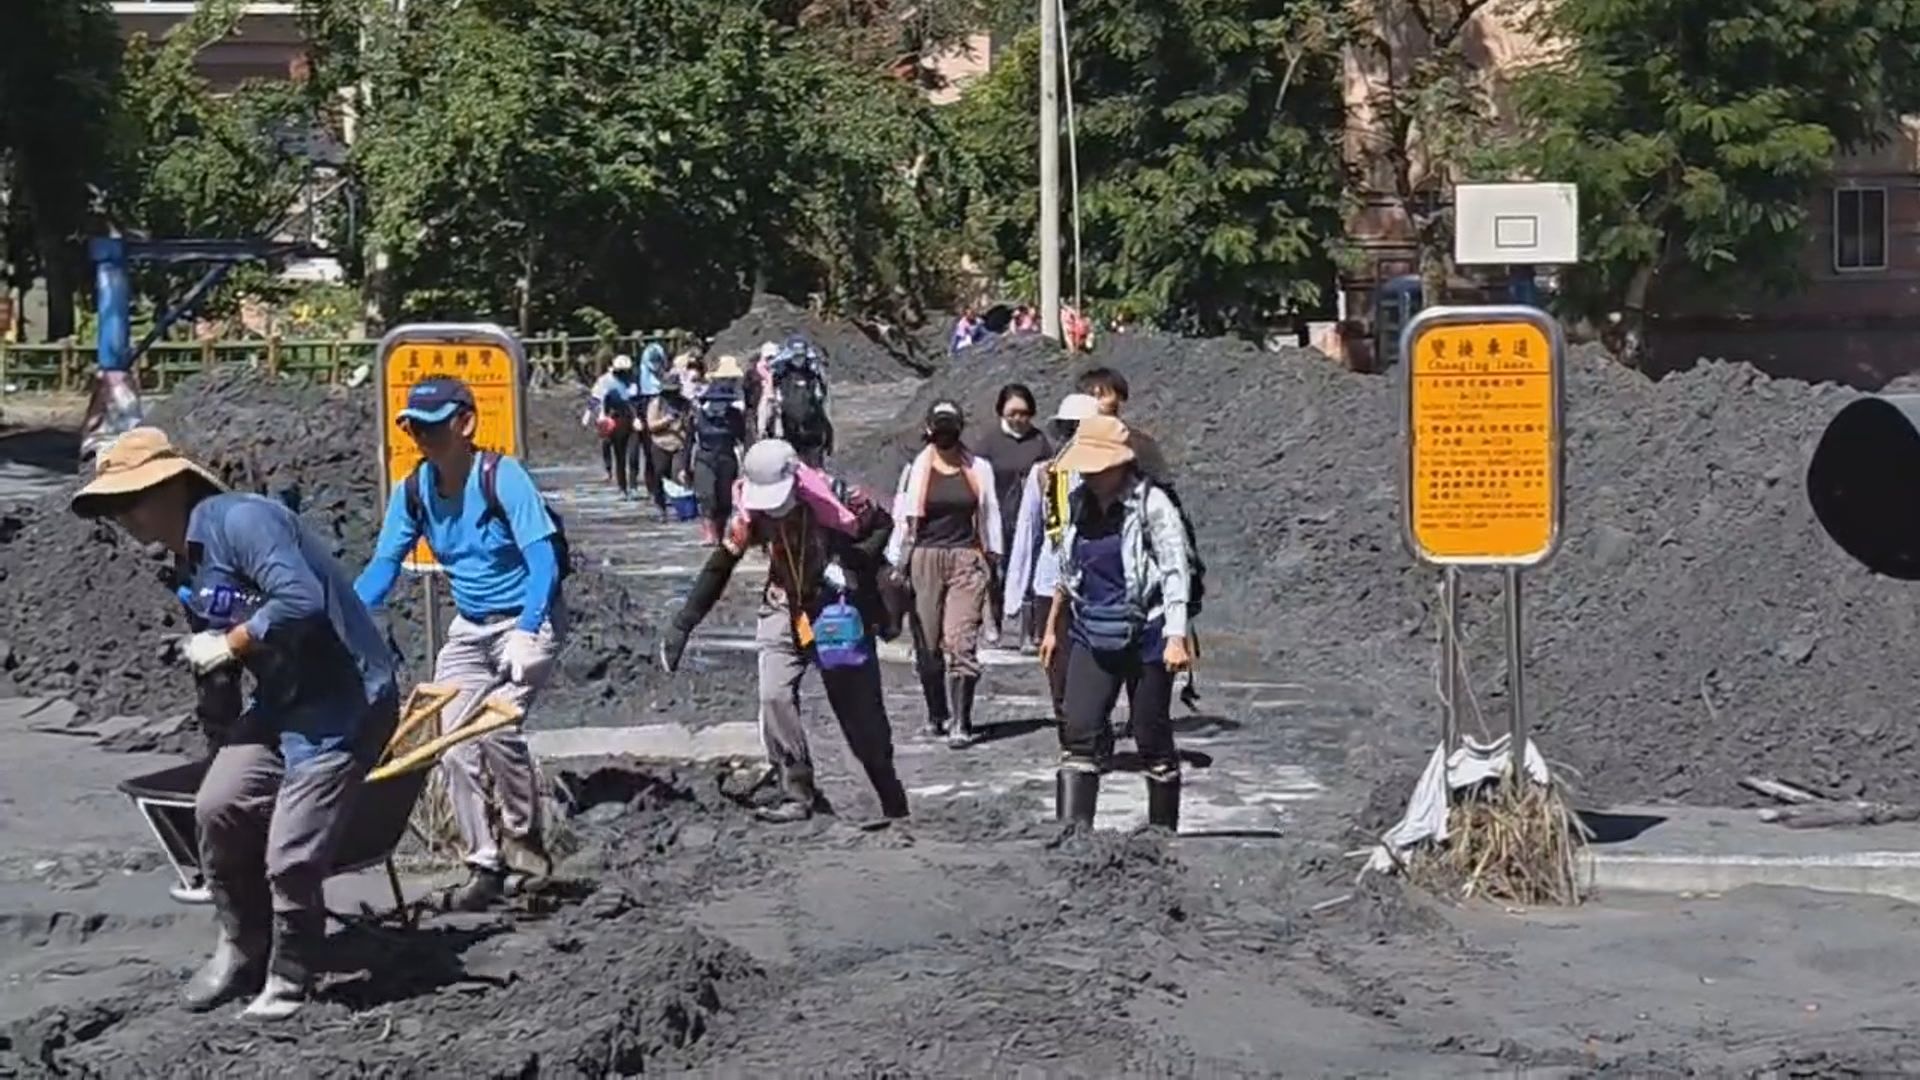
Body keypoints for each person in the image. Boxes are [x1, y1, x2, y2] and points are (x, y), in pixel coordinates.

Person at [72, 428, 399, 1020]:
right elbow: (217, 664)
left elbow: (300, 601)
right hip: (282, 701)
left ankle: (291, 973)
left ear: (171, 486)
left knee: (290, 856)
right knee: (216, 806)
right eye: (112, 507)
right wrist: (220, 734)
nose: (123, 517)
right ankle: (241, 945)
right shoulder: (186, 566)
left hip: (346, 700)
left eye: (130, 500)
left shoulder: (243, 523)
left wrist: (231, 641)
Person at [354, 376, 565, 911]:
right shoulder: (414, 490)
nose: (422, 436)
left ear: (464, 424)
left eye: (433, 425)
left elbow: (543, 562)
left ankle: (525, 843)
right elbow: (385, 565)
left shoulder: (503, 478)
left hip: (528, 619)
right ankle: (483, 861)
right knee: (449, 742)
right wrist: (346, 616)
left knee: (495, 727)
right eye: (414, 427)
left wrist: (525, 629)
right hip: (470, 628)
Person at [661, 439, 906, 821]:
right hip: (783, 605)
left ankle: (890, 796)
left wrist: (848, 563)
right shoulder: (750, 513)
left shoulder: (840, 496)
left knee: (861, 719)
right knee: (773, 696)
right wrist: (683, 625)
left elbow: (883, 526)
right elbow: (721, 563)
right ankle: (797, 790)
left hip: (834, 613)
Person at [1039, 415, 1192, 831]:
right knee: (1079, 729)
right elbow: (1067, 571)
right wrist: (1053, 625)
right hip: (1091, 626)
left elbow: (1176, 571)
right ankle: (1072, 835)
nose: (1089, 475)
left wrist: (1176, 637)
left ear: (1120, 464)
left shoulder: (1151, 504)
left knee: (1150, 732)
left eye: (1097, 467)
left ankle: (1162, 833)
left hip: (1147, 631)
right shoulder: (1079, 502)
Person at [886, 401, 1002, 747]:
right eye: (940, 428)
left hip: (967, 558)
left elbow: (990, 514)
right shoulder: (916, 470)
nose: (945, 435)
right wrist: (897, 564)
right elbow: (901, 520)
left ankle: (961, 722)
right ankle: (937, 714)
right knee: (928, 644)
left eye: (951, 428)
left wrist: (994, 561)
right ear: (929, 429)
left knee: (960, 639)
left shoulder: (979, 469)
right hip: (924, 558)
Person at [1004, 393, 1101, 718]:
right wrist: (1015, 592)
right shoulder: (1044, 473)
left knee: (1093, 658)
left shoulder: (1107, 474)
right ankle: (1068, 724)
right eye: (1068, 430)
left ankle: (1088, 723)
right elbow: (1028, 531)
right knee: (1057, 657)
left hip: (1095, 580)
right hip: (1050, 579)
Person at [968, 383, 1053, 646]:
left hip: (1029, 519)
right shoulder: (989, 443)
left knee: (1030, 571)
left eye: (1024, 413)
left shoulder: (1039, 442)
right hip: (998, 517)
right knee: (996, 574)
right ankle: (994, 621)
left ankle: (1028, 632)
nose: (1018, 419)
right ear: (1001, 413)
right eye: (1012, 413)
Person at [693, 355, 749, 545]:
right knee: (707, 496)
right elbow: (688, 441)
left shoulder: (734, 415)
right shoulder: (699, 414)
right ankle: (709, 534)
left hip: (727, 457)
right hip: (705, 457)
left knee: (725, 499)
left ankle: (720, 532)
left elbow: (744, 437)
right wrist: (685, 466)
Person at [1077, 366, 1169, 481]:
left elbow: (1163, 486)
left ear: (1119, 397)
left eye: (1101, 396)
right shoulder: (1075, 450)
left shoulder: (1140, 444)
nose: (1094, 404)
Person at [645, 371, 696, 520]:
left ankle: (681, 507)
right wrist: (667, 420)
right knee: (659, 475)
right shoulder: (656, 403)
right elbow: (651, 425)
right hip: (661, 443)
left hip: (679, 444)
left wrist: (687, 423)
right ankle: (661, 507)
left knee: (679, 475)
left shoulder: (685, 403)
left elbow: (691, 424)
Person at [598, 357, 645, 500]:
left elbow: (636, 402)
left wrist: (637, 417)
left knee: (633, 455)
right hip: (617, 421)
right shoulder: (609, 383)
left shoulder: (634, 382)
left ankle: (633, 485)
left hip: (633, 421)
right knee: (620, 456)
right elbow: (605, 403)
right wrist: (605, 419)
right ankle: (622, 487)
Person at [585, 355, 634, 483]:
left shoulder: (630, 380)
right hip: (606, 415)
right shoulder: (605, 380)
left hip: (626, 415)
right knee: (606, 443)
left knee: (625, 447)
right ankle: (608, 469)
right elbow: (595, 397)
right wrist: (588, 414)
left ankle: (626, 474)